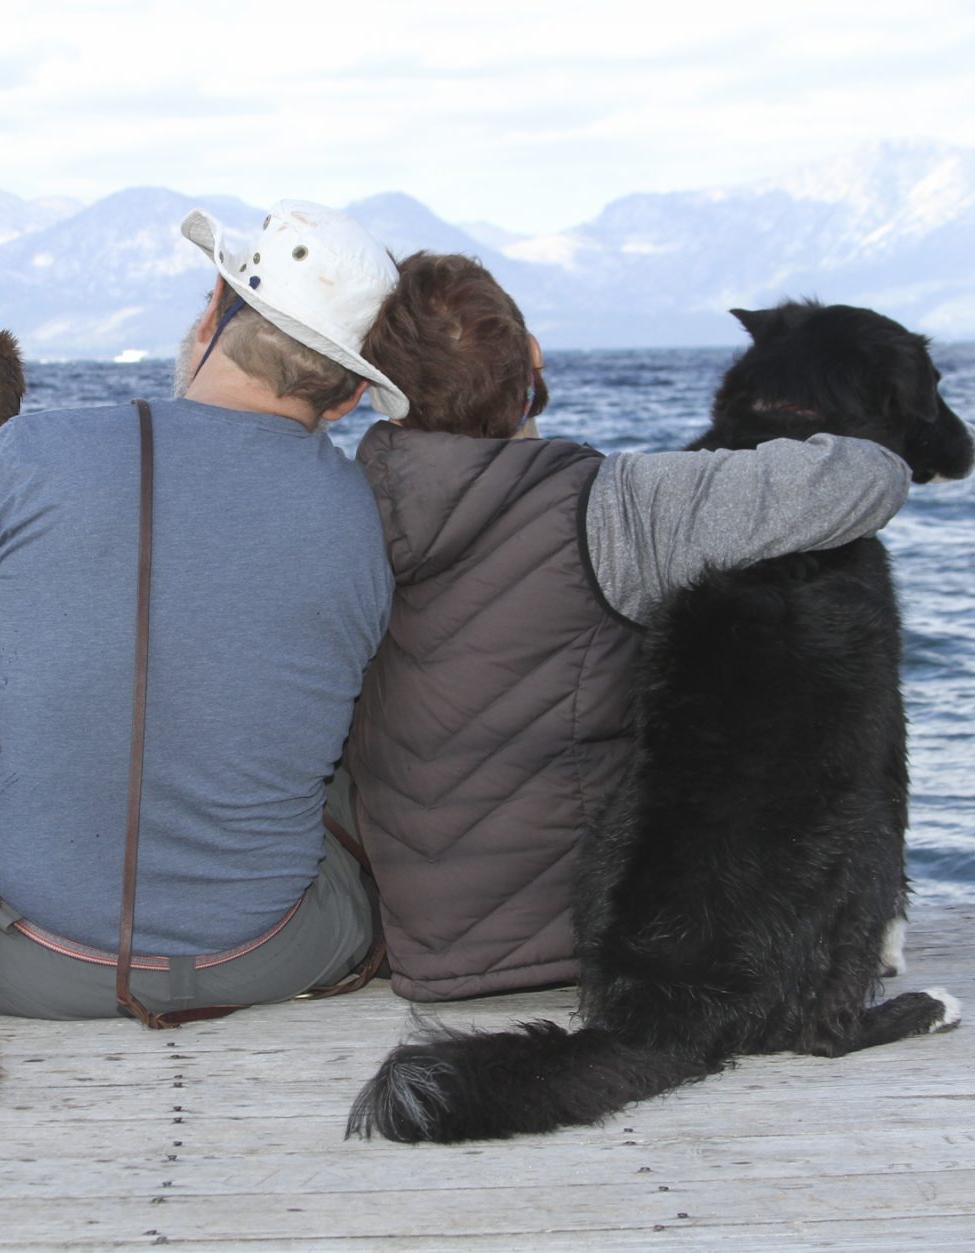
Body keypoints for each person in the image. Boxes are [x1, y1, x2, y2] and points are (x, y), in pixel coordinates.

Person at [0, 200, 406, 1020]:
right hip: (270, 953)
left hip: (30, 964)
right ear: (349, 398)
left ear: (211, 318)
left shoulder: (30, 454)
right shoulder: (361, 514)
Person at [346, 252, 915, 1001]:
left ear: (379, 390)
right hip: (586, 929)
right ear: (535, 361)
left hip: (403, 929)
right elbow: (869, 477)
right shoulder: (616, 505)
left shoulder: (341, 504)